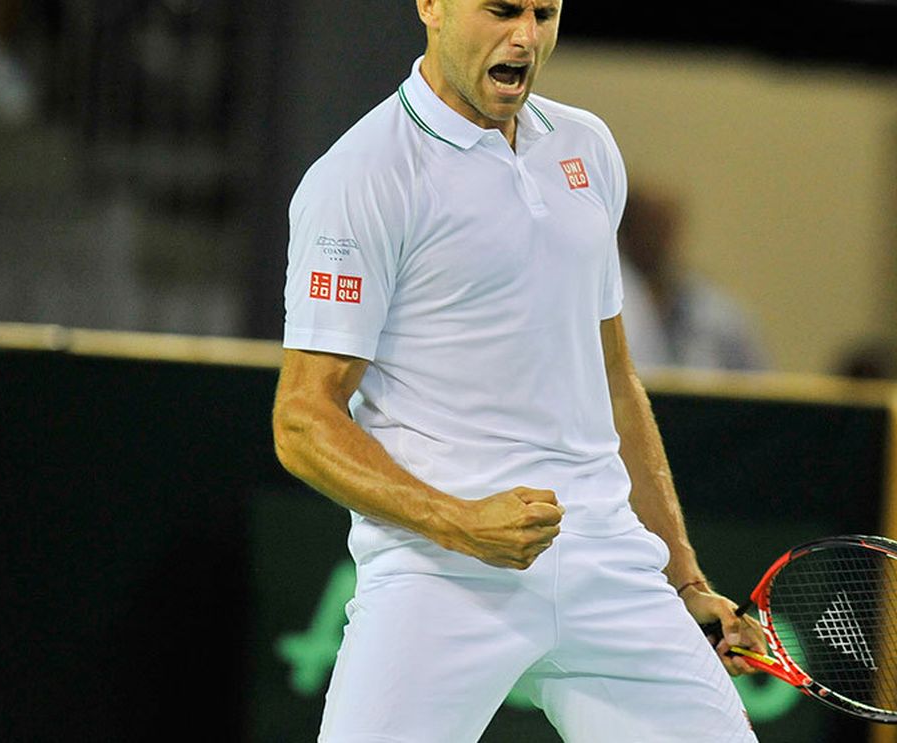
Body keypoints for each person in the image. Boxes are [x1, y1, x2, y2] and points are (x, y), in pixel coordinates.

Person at [270, 2, 765, 741]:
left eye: (545, 12)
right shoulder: (359, 176)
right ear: (431, 6)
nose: (526, 36)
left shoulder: (588, 148)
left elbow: (613, 375)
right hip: (441, 574)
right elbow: (303, 420)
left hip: (606, 560)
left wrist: (684, 577)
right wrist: (460, 521)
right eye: (502, 9)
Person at [617, 184, 771, 371]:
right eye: (645, 224)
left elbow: (759, 385)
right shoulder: (604, 303)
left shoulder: (719, 315)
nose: (653, 237)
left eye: (662, 226)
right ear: (624, 231)